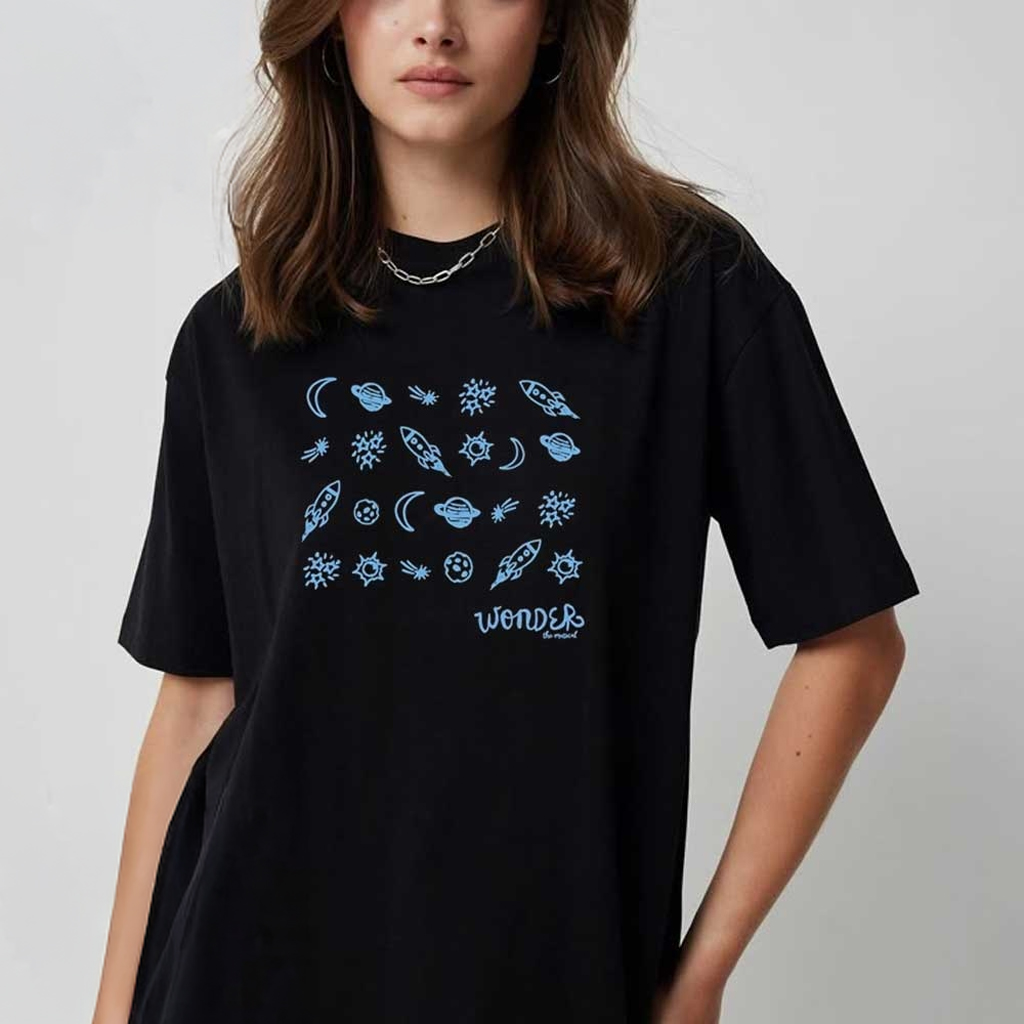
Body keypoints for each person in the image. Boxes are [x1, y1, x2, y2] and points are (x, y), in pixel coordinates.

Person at [91, 2, 920, 1023]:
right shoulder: (236, 333)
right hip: (240, 975)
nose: (436, 25)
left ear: (558, 19)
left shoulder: (688, 291)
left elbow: (853, 641)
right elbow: (197, 697)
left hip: (552, 975)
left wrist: (699, 974)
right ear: (330, 21)